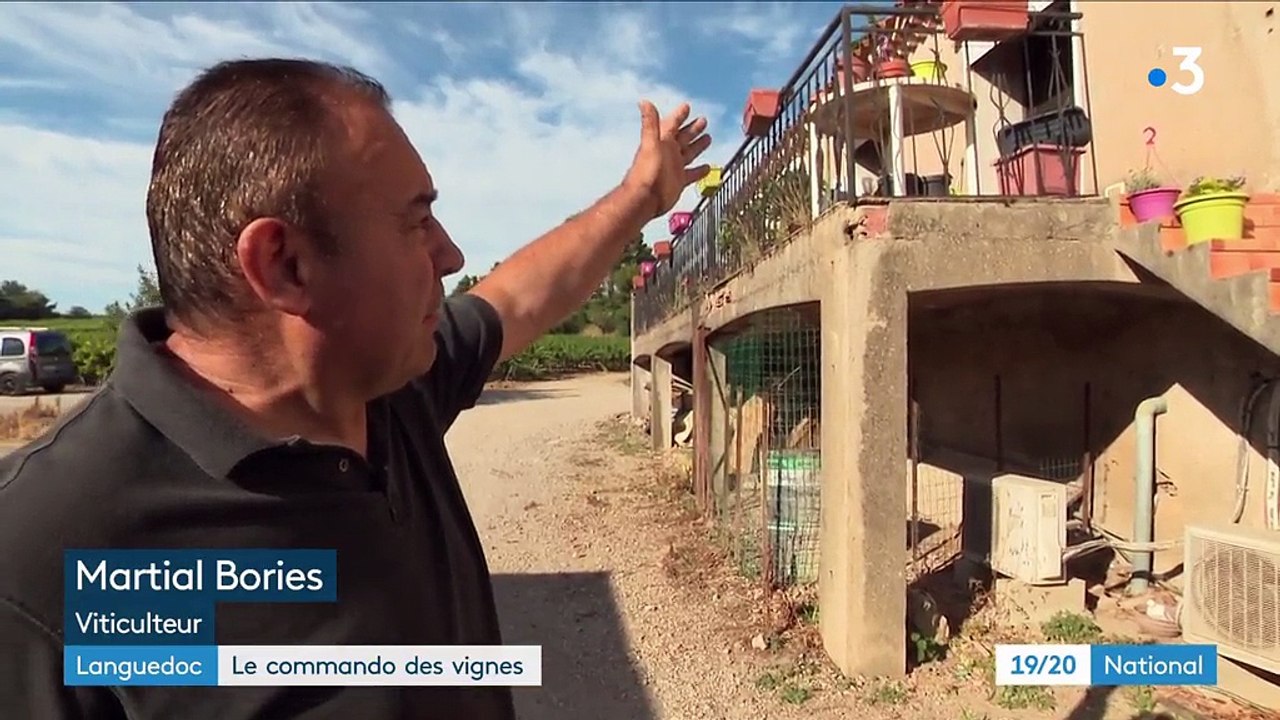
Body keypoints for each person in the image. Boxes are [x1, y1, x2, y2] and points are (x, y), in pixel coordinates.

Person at [0, 58, 711, 720]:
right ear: (285, 265)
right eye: (416, 218)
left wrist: (641, 196)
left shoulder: (386, 386)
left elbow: (518, 299)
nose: (451, 254)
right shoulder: (41, 557)